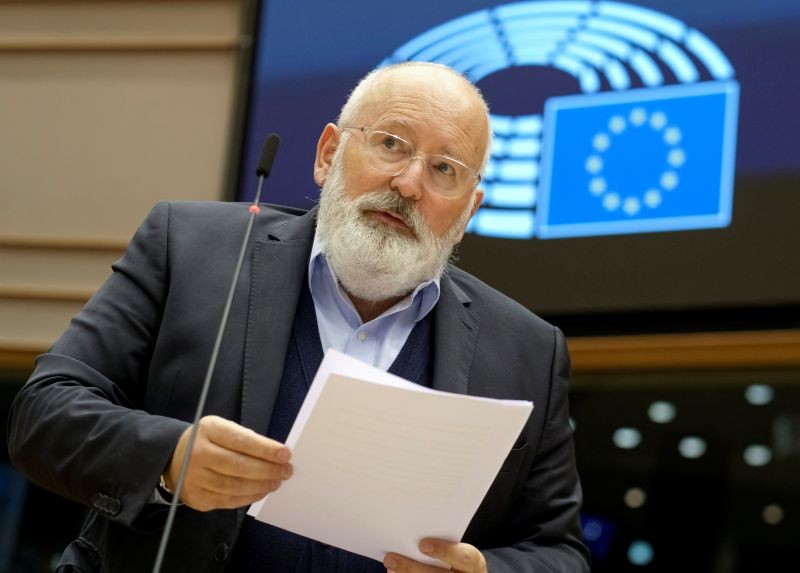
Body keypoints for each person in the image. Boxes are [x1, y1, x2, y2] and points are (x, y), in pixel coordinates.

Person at [8, 62, 590, 572]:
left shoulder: (528, 351)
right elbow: (44, 412)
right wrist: (169, 457)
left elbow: (557, 551)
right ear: (329, 154)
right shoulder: (187, 248)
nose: (409, 184)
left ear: (468, 210)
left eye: (445, 170)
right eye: (391, 143)